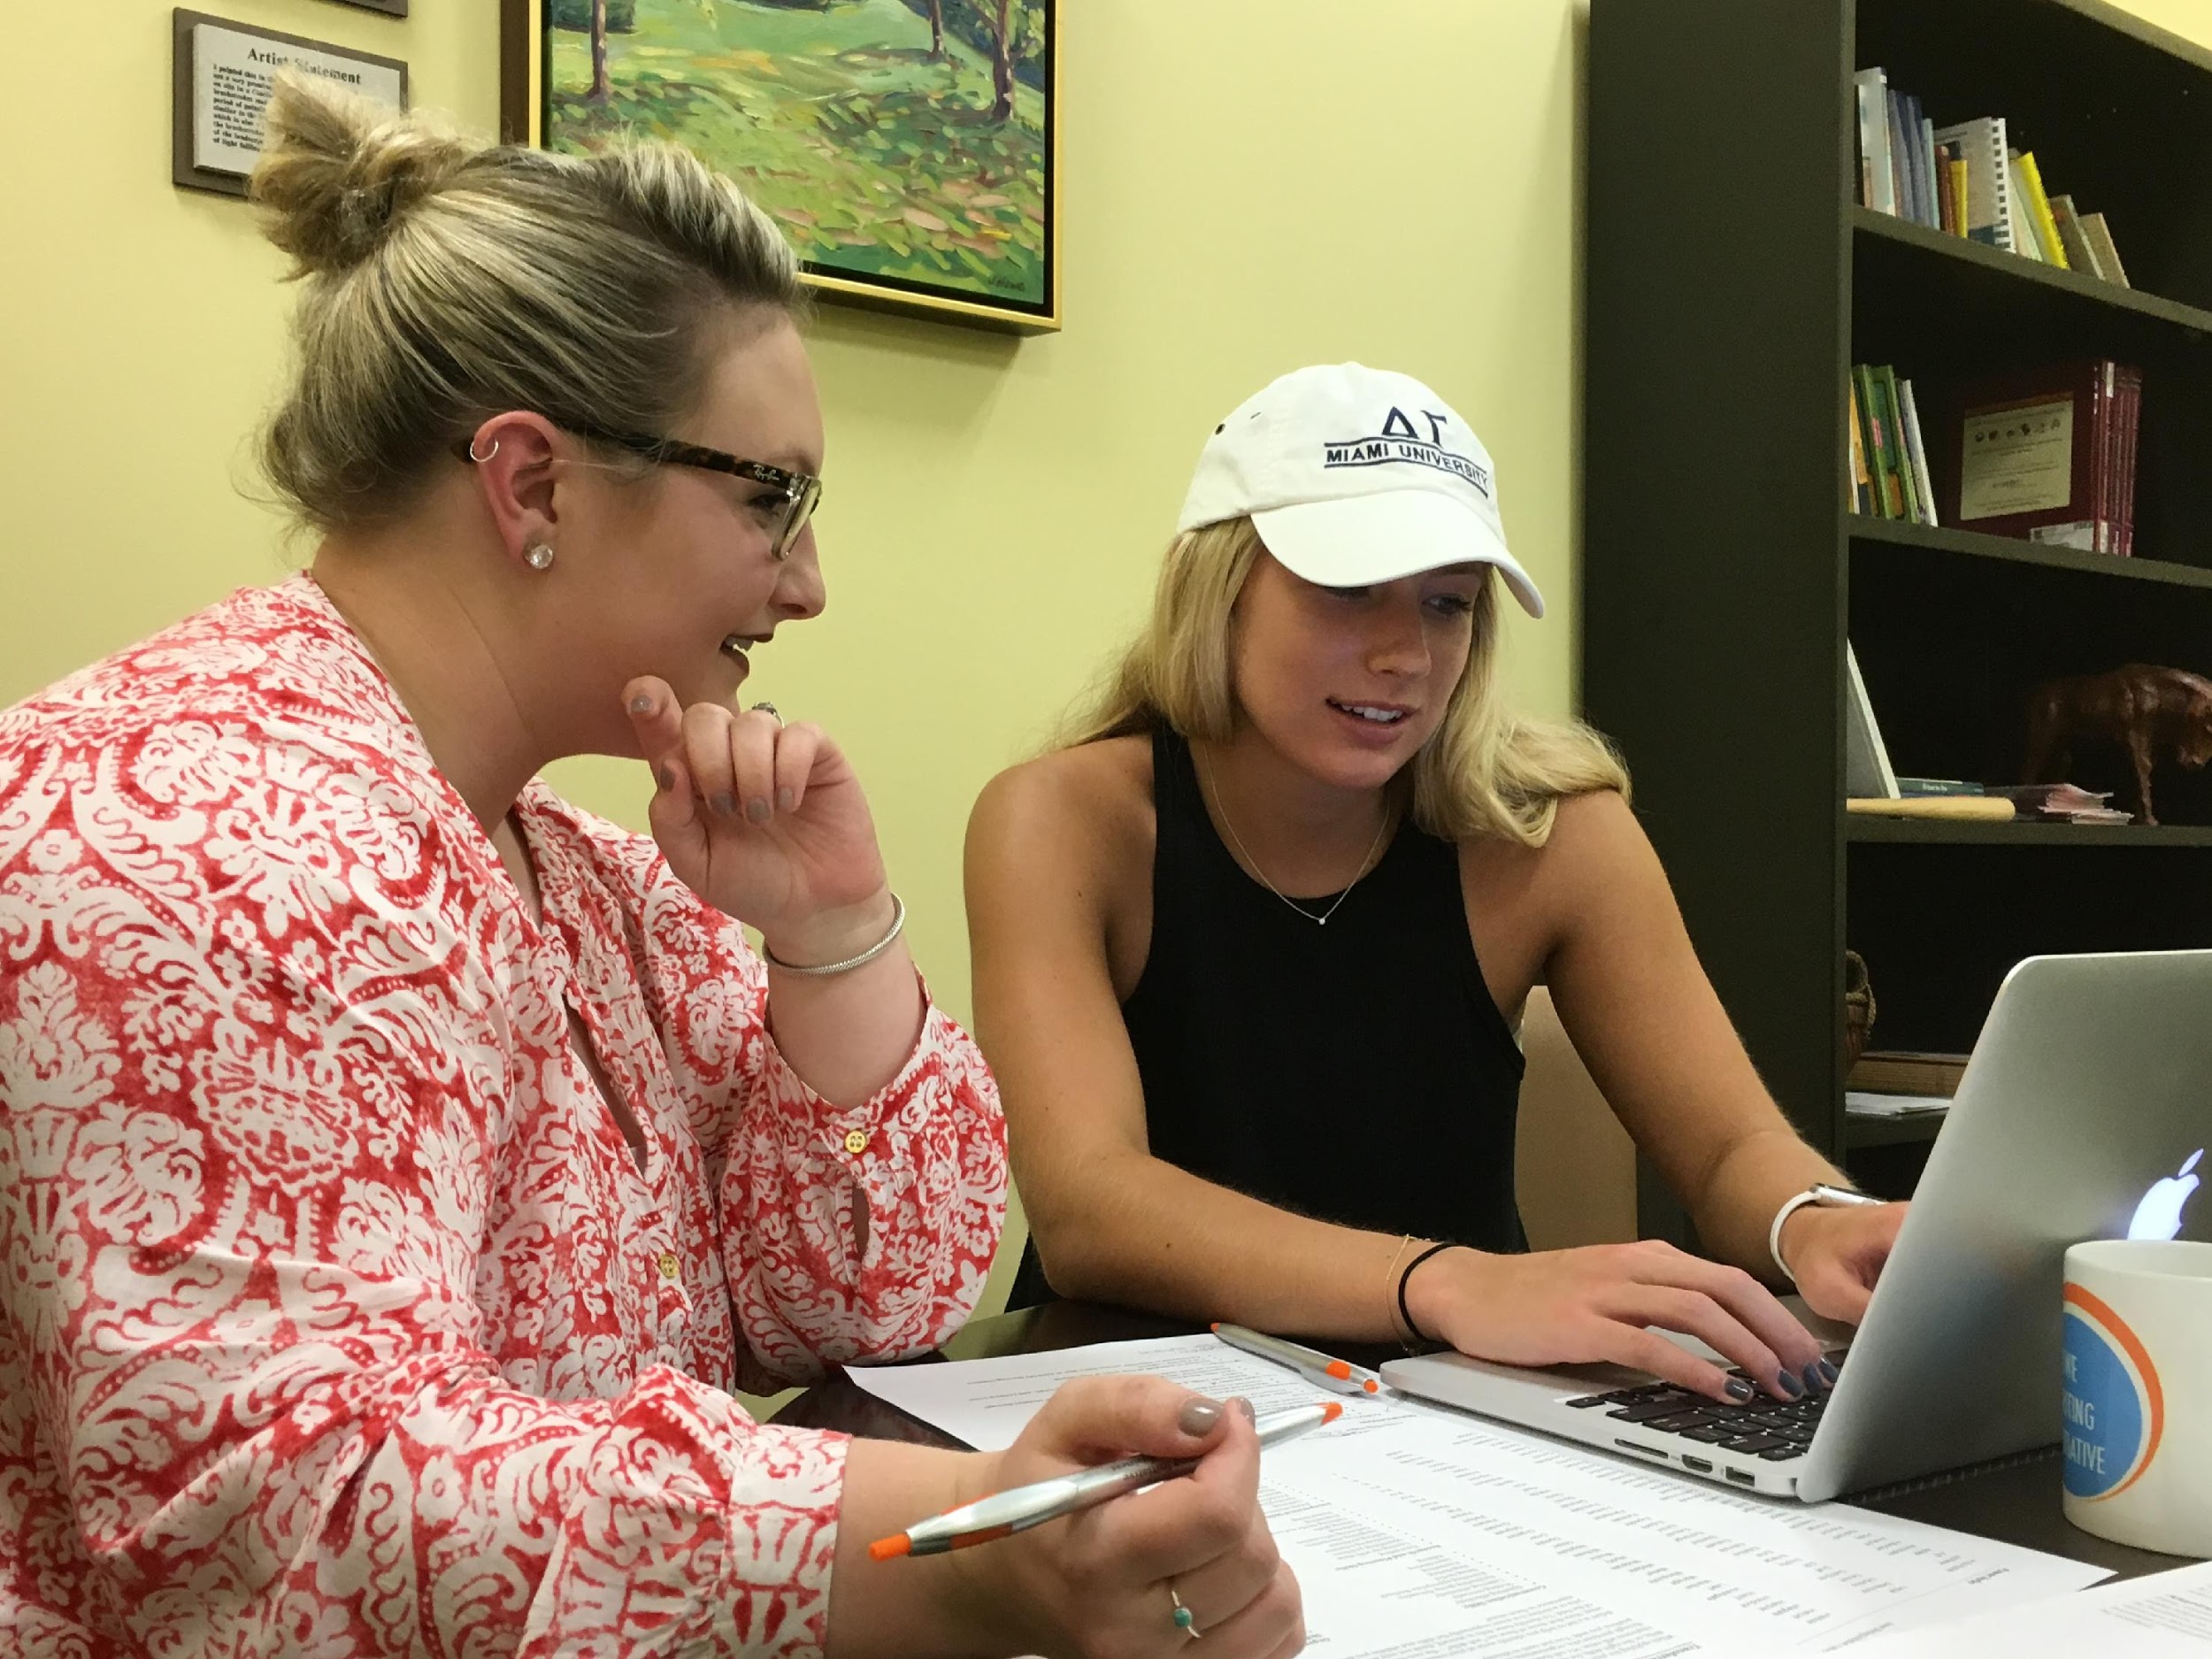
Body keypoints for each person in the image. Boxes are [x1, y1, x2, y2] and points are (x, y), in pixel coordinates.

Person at [0, 81, 1302, 1659]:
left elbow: (868, 1301)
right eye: (773, 498)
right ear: (533, 482)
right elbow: (301, 1521)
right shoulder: (206, 848)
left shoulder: (577, 868)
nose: (809, 583)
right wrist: (953, 1560)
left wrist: (830, 937)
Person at [965, 363, 1907, 1408]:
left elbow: (1729, 1144)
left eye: (1446, 604)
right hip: (1135, 1405)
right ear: (1218, 588)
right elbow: (1092, 1212)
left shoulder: (1556, 832)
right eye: (1347, 590)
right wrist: (1449, 1282)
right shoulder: (1059, 821)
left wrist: (1814, 1219)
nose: (1403, 654)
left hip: (1449, 1413)